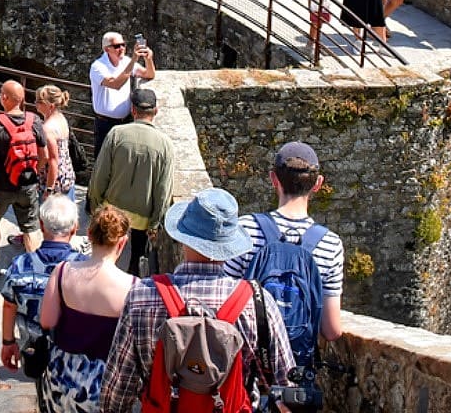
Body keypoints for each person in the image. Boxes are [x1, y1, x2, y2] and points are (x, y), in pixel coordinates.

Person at [99, 188, 295, 413]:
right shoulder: (257, 303)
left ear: (183, 238)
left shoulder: (142, 297)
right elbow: (287, 387)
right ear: (229, 246)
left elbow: (114, 395)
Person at [224, 142, 344, 353]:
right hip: (296, 370)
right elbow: (332, 330)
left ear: (273, 179)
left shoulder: (245, 229)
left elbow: (225, 304)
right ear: (318, 184)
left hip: (247, 364)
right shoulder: (330, 244)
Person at [39, 204, 135, 413]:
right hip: (104, 383)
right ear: (122, 242)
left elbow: (47, 321)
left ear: (89, 234)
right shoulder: (133, 287)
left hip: (61, 374)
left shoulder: (62, 271)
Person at [88, 87, 175, 277]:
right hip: (143, 217)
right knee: (136, 258)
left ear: (133, 111)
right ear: (156, 111)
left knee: (105, 254)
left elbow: (100, 175)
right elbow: (163, 190)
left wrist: (96, 206)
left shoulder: (116, 134)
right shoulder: (166, 144)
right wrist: (155, 223)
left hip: (113, 209)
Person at [0, 195, 82, 388]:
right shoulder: (83, 268)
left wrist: (8, 342)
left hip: (32, 346)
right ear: (74, 228)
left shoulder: (20, 266)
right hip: (70, 354)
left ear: (42, 226)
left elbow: (8, 305)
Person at [0, 80, 49, 283]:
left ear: (4, 98)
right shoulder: (34, 120)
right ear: (23, 99)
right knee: (30, 227)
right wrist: (34, 173)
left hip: (1, 186)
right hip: (27, 184)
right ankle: (36, 272)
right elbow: (44, 154)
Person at [89, 31, 155, 158]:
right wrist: (134, 59)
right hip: (105, 124)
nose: (122, 49)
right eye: (117, 46)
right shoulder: (98, 67)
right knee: (103, 160)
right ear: (106, 49)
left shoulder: (126, 61)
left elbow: (149, 74)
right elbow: (115, 84)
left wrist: (148, 59)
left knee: (123, 159)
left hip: (125, 121)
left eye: (123, 45)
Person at [36, 84, 77, 203]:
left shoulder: (47, 129)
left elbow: (52, 160)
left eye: (40, 101)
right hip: (67, 175)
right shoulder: (62, 118)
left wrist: (49, 189)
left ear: (51, 105)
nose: (36, 103)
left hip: (54, 181)